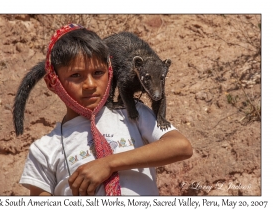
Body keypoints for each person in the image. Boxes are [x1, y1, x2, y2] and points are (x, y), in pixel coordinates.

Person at [19, 23, 193, 196]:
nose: (90, 85)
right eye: (76, 76)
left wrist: (109, 164)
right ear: (52, 82)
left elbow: (181, 147)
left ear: (110, 73)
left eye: (98, 73)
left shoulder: (132, 113)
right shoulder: (44, 150)